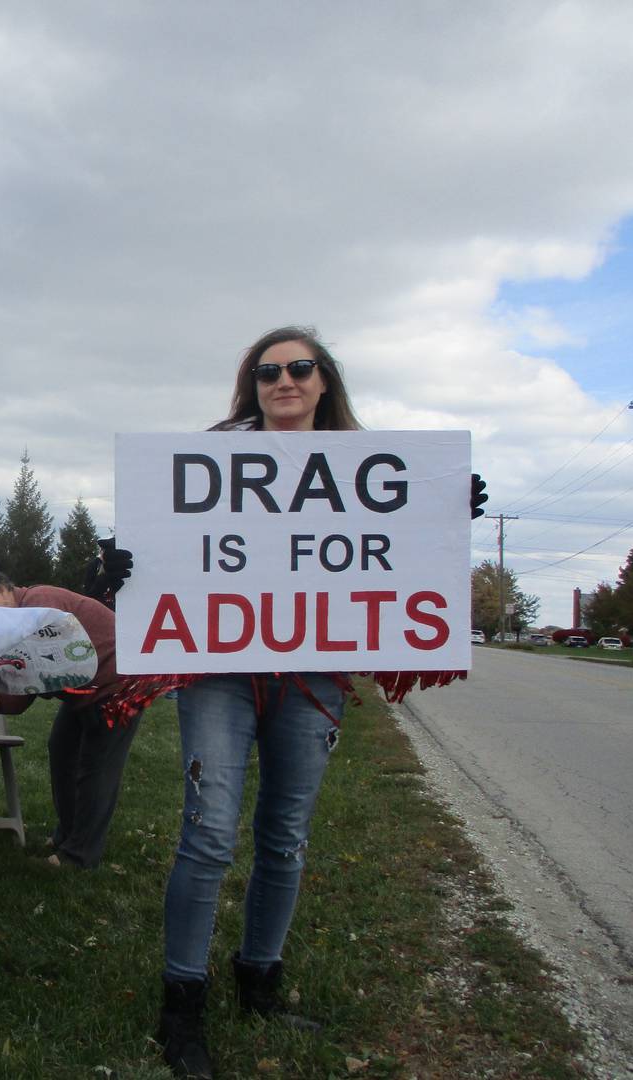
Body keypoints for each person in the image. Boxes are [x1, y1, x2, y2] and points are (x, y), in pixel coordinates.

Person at [154, 326, 487, 1079]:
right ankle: (182, 1005)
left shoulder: (368, 467)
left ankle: (259, 982)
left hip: (312, 675)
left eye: (300, 367)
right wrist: (123, 565)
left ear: (324, 380)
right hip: (219, 670)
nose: (285, 380)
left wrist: (441, 515)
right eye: (268, 371)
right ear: (253, 385)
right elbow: (173, 543)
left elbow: (394, 552)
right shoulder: (209, 460)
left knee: (285, 835)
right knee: (209, 832)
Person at [0, 567, 160, 870]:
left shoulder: (39, 605)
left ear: (2, 587)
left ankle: (80, 855)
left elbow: (35, 677)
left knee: (97, 767)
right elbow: (14, 701)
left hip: (119, 681)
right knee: (62, 750)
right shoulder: (16, 625)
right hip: (86, 690)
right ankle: (68, 833)